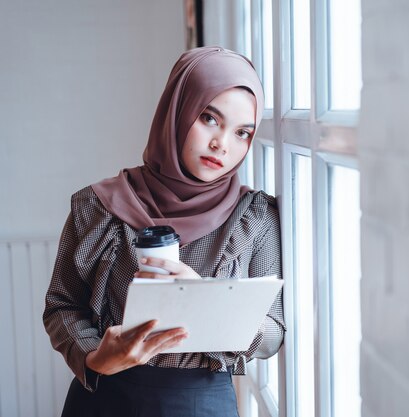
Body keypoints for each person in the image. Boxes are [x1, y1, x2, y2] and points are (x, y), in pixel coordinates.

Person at [42, 46, 284, 417]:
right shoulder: (97, 206)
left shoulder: (255, 216)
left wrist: (206, 299)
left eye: (242, 133)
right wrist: (96, 357)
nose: (222, 144)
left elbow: (273, 333)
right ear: (177, 110)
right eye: (208, 118)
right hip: (104, 396)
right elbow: (62, 305)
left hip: (201, 403)